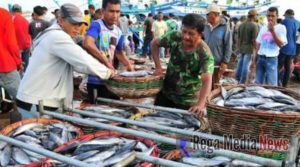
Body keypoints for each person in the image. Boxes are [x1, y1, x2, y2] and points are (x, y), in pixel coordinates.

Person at [16, 3, 115, 119]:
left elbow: (78, 65)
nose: (78, 28)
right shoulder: (57, 37)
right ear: (61, 20)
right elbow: (83, 60)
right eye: (74, 23)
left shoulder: (55, 35)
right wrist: (108, 73)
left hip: (35, 100)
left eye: (80, 24)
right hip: (35, 102)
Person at [152, 13, 214, 117]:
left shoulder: (204, 54)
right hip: (166, 95)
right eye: (184, 31)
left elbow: (207, 81)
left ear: (200, 34)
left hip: (187, 101)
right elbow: (154, 43)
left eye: (191, 33)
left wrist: (200, 104)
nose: (185, 37)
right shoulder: (175, 36)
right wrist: (158, 66)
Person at [83, 0, 134, 104]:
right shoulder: (97, 25)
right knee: (98, 113)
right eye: (111, 11)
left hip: (111, 80)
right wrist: (106, 62)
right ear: (103, 11)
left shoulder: (118, 31)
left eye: (117, 11)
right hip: (96, 80)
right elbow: (88, 43)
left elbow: (119, 52)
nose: (115, 15)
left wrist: (128, 64)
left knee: (114, 110)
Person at [254, 7, 287, 86]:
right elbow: (258, 42)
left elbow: (281, 44)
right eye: (268, 16)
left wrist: (273, 31)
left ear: (277, 16)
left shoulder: (281, 28)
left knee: (272, 85)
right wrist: (255, 57)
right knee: (258, 84)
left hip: (271, 59)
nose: (270, 18)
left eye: (272, 16)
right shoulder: (263, 27)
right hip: (261, 57)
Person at [204, 4, 232, 89]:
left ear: (216, 15)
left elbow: (228, 45)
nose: (207, 17)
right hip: (205, 61)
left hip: (217, 62)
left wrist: (225, 62)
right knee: (204, 84)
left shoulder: (225, 27)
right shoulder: (205, 26)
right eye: (207, 15)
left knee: (215, 85)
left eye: (209, 15)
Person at [0, 8, 22, 100]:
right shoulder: (3, 14)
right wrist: (18, 61)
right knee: (20, 98)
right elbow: (11, 43)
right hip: (4, 64)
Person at [235, 9, 259, 84]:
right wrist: (256, 50)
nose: (257, 17)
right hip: (249, 48)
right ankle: (242, 82)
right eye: (257, 15)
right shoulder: (254, 25)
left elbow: (238, 38)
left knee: (240, 64)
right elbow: (254, 40)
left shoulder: (241, 24)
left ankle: (236, 80)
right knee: (246, 66)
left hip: (241, 47)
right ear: (254, 16)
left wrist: (238, 48)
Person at [278, 9, 299, 87]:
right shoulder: (298, 22)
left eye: (285, 15)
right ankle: (285, 85)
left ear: (287, 14)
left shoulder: (284, 21)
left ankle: (277, 82)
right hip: (293, 48)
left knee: (278, 65)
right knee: (287, 67)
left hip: (284, 47)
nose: (285, 16)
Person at [11, 4, 32, 72]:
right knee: (26, 66)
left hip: (16, 47)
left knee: (17, 67)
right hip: (27, 45)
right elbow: (29, 34)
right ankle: (26, 79)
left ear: (12, 11)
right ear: (21, 11)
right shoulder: (25, 20)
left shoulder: (10, 19)